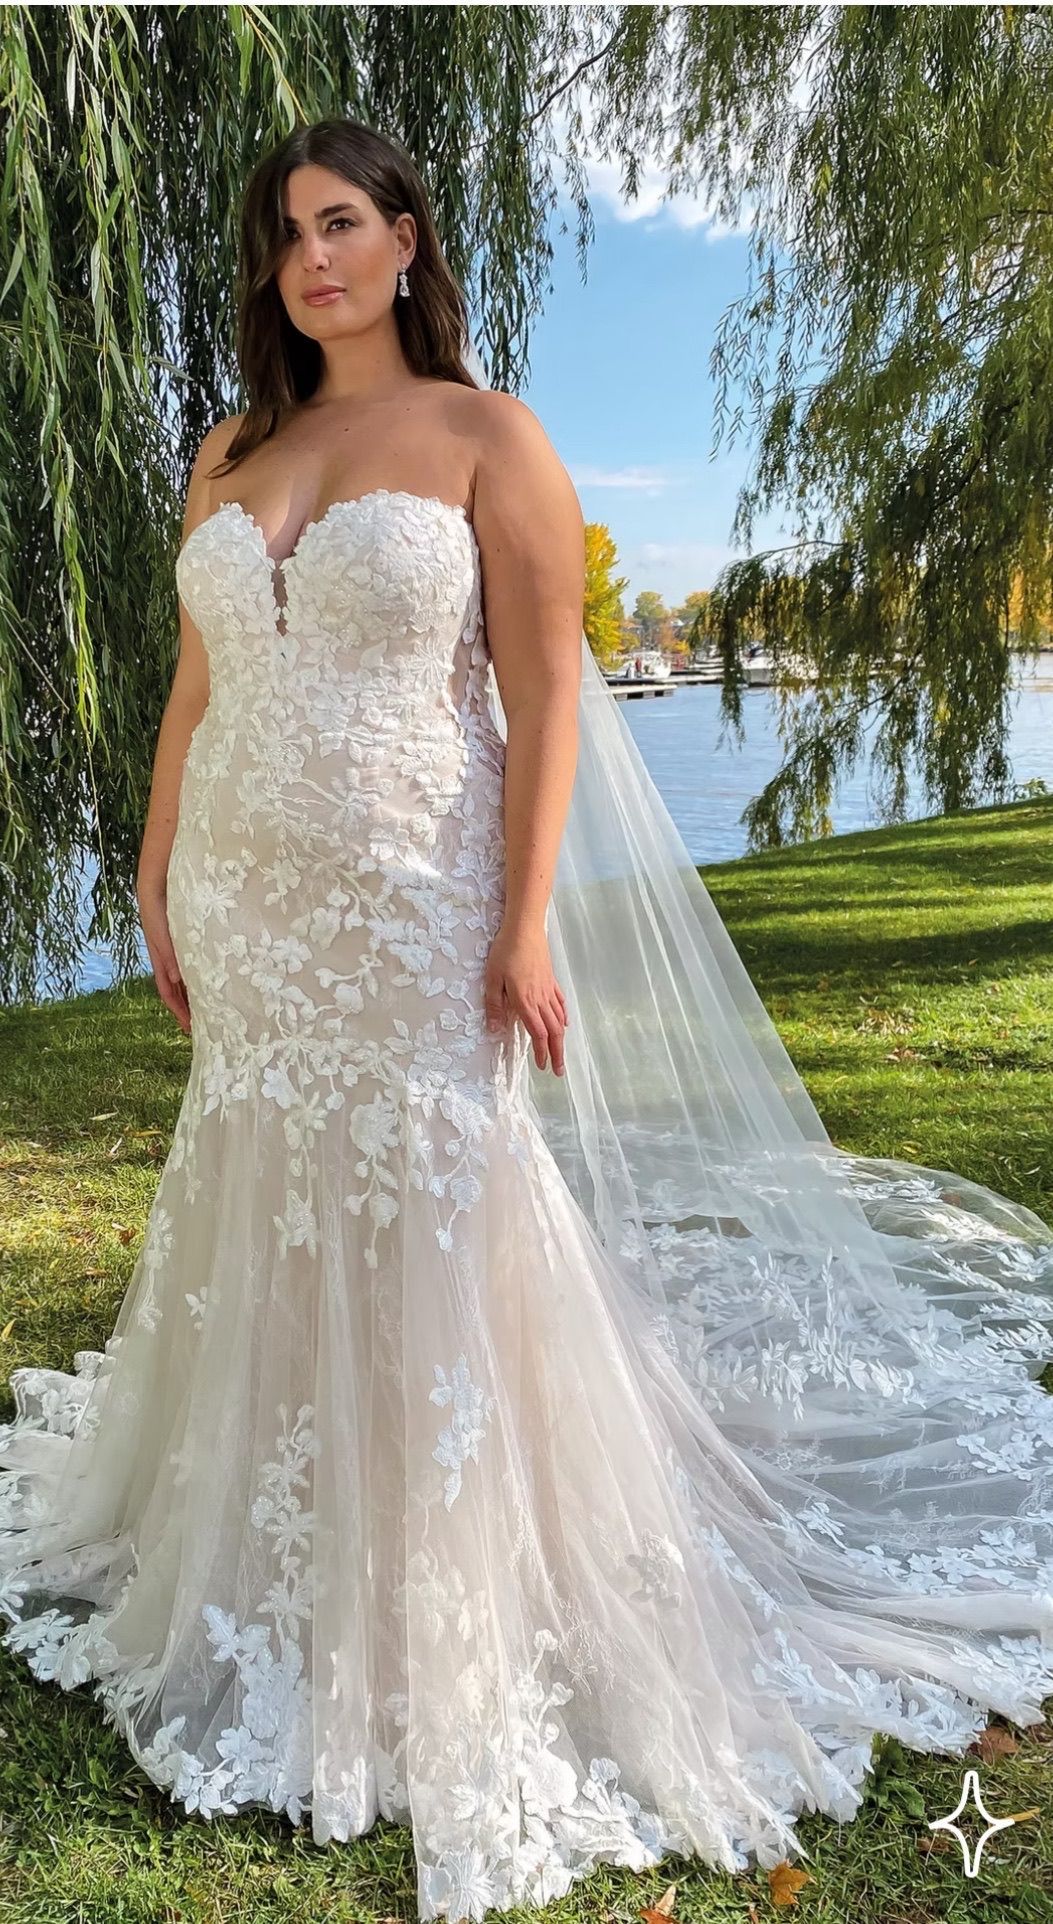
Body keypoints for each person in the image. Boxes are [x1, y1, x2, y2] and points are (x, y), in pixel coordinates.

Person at [2, 117, 1053, 1924]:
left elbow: (552, 687)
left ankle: (449, 1562)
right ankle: (260, 1512)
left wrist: (520, 919)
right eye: (283, 236)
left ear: (409, 238)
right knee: (262, 1165)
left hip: (418, 889)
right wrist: (160, 873)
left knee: (437, 1188)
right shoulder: (228, 447)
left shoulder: (489, 436)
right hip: (253, 891)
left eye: (341, 223)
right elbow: (191, 689)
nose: (309, 259)